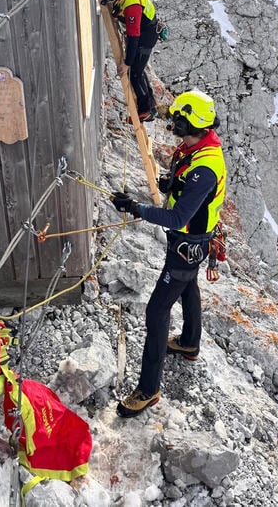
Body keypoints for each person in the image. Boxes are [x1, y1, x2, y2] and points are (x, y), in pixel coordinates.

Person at [107, 90, 226, 417]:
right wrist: (171, 185)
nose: (172, 122)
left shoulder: (204, 169)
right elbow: (186, 190)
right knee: (189, 287)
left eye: (177, 119)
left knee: (157, 310)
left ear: (190, 124)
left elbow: (177, 217)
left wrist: (135, 208)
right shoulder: (200, 148)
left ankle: (148, 389)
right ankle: (189, 341)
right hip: (194, 243)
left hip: (187, 245)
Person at [98, 0, 160, 121]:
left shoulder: (132, 7)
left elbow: (134, 38)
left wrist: (126, 64)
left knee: (135, 72)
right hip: (144, 28)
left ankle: (147, 111)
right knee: (139, 69)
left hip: (146, 35)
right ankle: (150, 103)